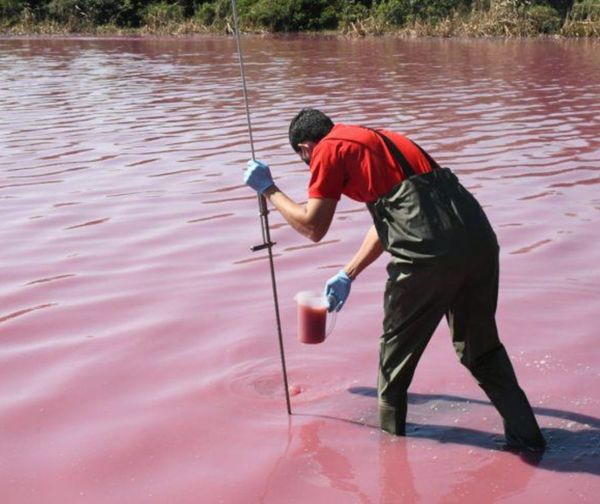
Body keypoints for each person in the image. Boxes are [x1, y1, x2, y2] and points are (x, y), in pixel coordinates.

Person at [243, 108, 546, 451]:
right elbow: (397, 214)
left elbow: (314, 226)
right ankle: (529, 442)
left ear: (305, 148)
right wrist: (348, 273)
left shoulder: (325, 149)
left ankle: (389, 454)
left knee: (394, 358)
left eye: (305, 162)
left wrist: (269, 189)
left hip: (427, 255)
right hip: (478, 240)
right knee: (482, 351)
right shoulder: (383, 140)